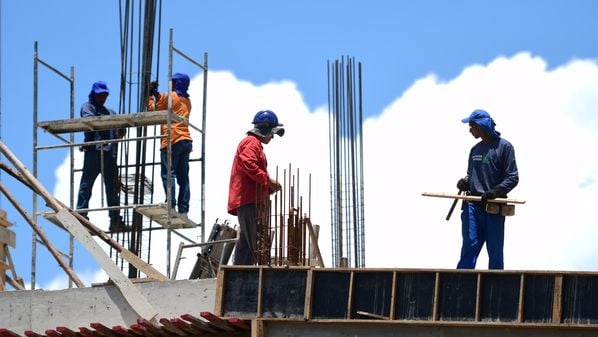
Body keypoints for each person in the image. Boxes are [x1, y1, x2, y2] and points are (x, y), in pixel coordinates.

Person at [455, 109, 519, 270]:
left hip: (493, 208)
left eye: (472, 126)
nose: (470, 130)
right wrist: (465, 183)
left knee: (495, 250)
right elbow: (471, 175)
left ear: (481, 126)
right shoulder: (475, 150)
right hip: (472, 206)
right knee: (469, 245)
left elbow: (513, 177)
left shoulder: (504, 147)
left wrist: (496, 191)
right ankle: (460, 284)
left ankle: (496, 288)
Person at [228, 110, 284, 265]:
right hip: (250, 201)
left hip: (250, 199)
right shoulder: (251, 142)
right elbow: (249, 164)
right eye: (272, 133)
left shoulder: (253, 144)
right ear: (265, 130)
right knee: (258, 241)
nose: (272, 137)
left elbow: (251, 171)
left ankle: (240, 275)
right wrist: (268, 181)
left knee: (247, 244)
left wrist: (268, 188)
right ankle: (261, 274)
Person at [76, 81, 127, 232]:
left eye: (105, 95)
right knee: (87, 184)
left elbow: (122, 127)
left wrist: (120, 129)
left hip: (109, 155)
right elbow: (90, 121)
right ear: (94, 93)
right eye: (100, 94)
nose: (102, 97)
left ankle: (116, 220)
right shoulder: (88, 107)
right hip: (94, 153)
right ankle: (81, 214)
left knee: (112, 189)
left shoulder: (110, 112)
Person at [147, 73, 193, 217]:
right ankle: (184, 210)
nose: (171, 84)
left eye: (173, 82)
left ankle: (171, 206)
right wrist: (157, 94)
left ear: (177, 83)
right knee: (183, 177)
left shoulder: (171, 96)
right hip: (186, 140)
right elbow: (166, 103)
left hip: (172, 140)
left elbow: (153, 110)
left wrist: (149, 96)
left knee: (169, 174)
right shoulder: (187, 101)